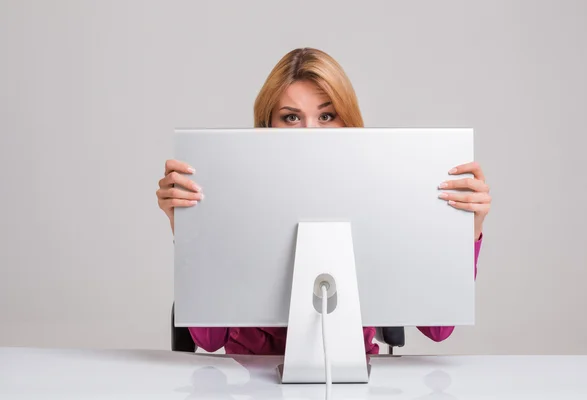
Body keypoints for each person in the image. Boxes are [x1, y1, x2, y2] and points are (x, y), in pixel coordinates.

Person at [156, 48, 491, 355]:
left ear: (348, 121)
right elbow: (209, 340)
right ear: (267, 126)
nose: (309, 132)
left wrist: (467, 231)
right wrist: (185, 226)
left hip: (353, 376)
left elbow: (438, 328)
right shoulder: (231, 195)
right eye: (291, 117)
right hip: (250, 378)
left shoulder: (384, 190)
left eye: (327, 116)